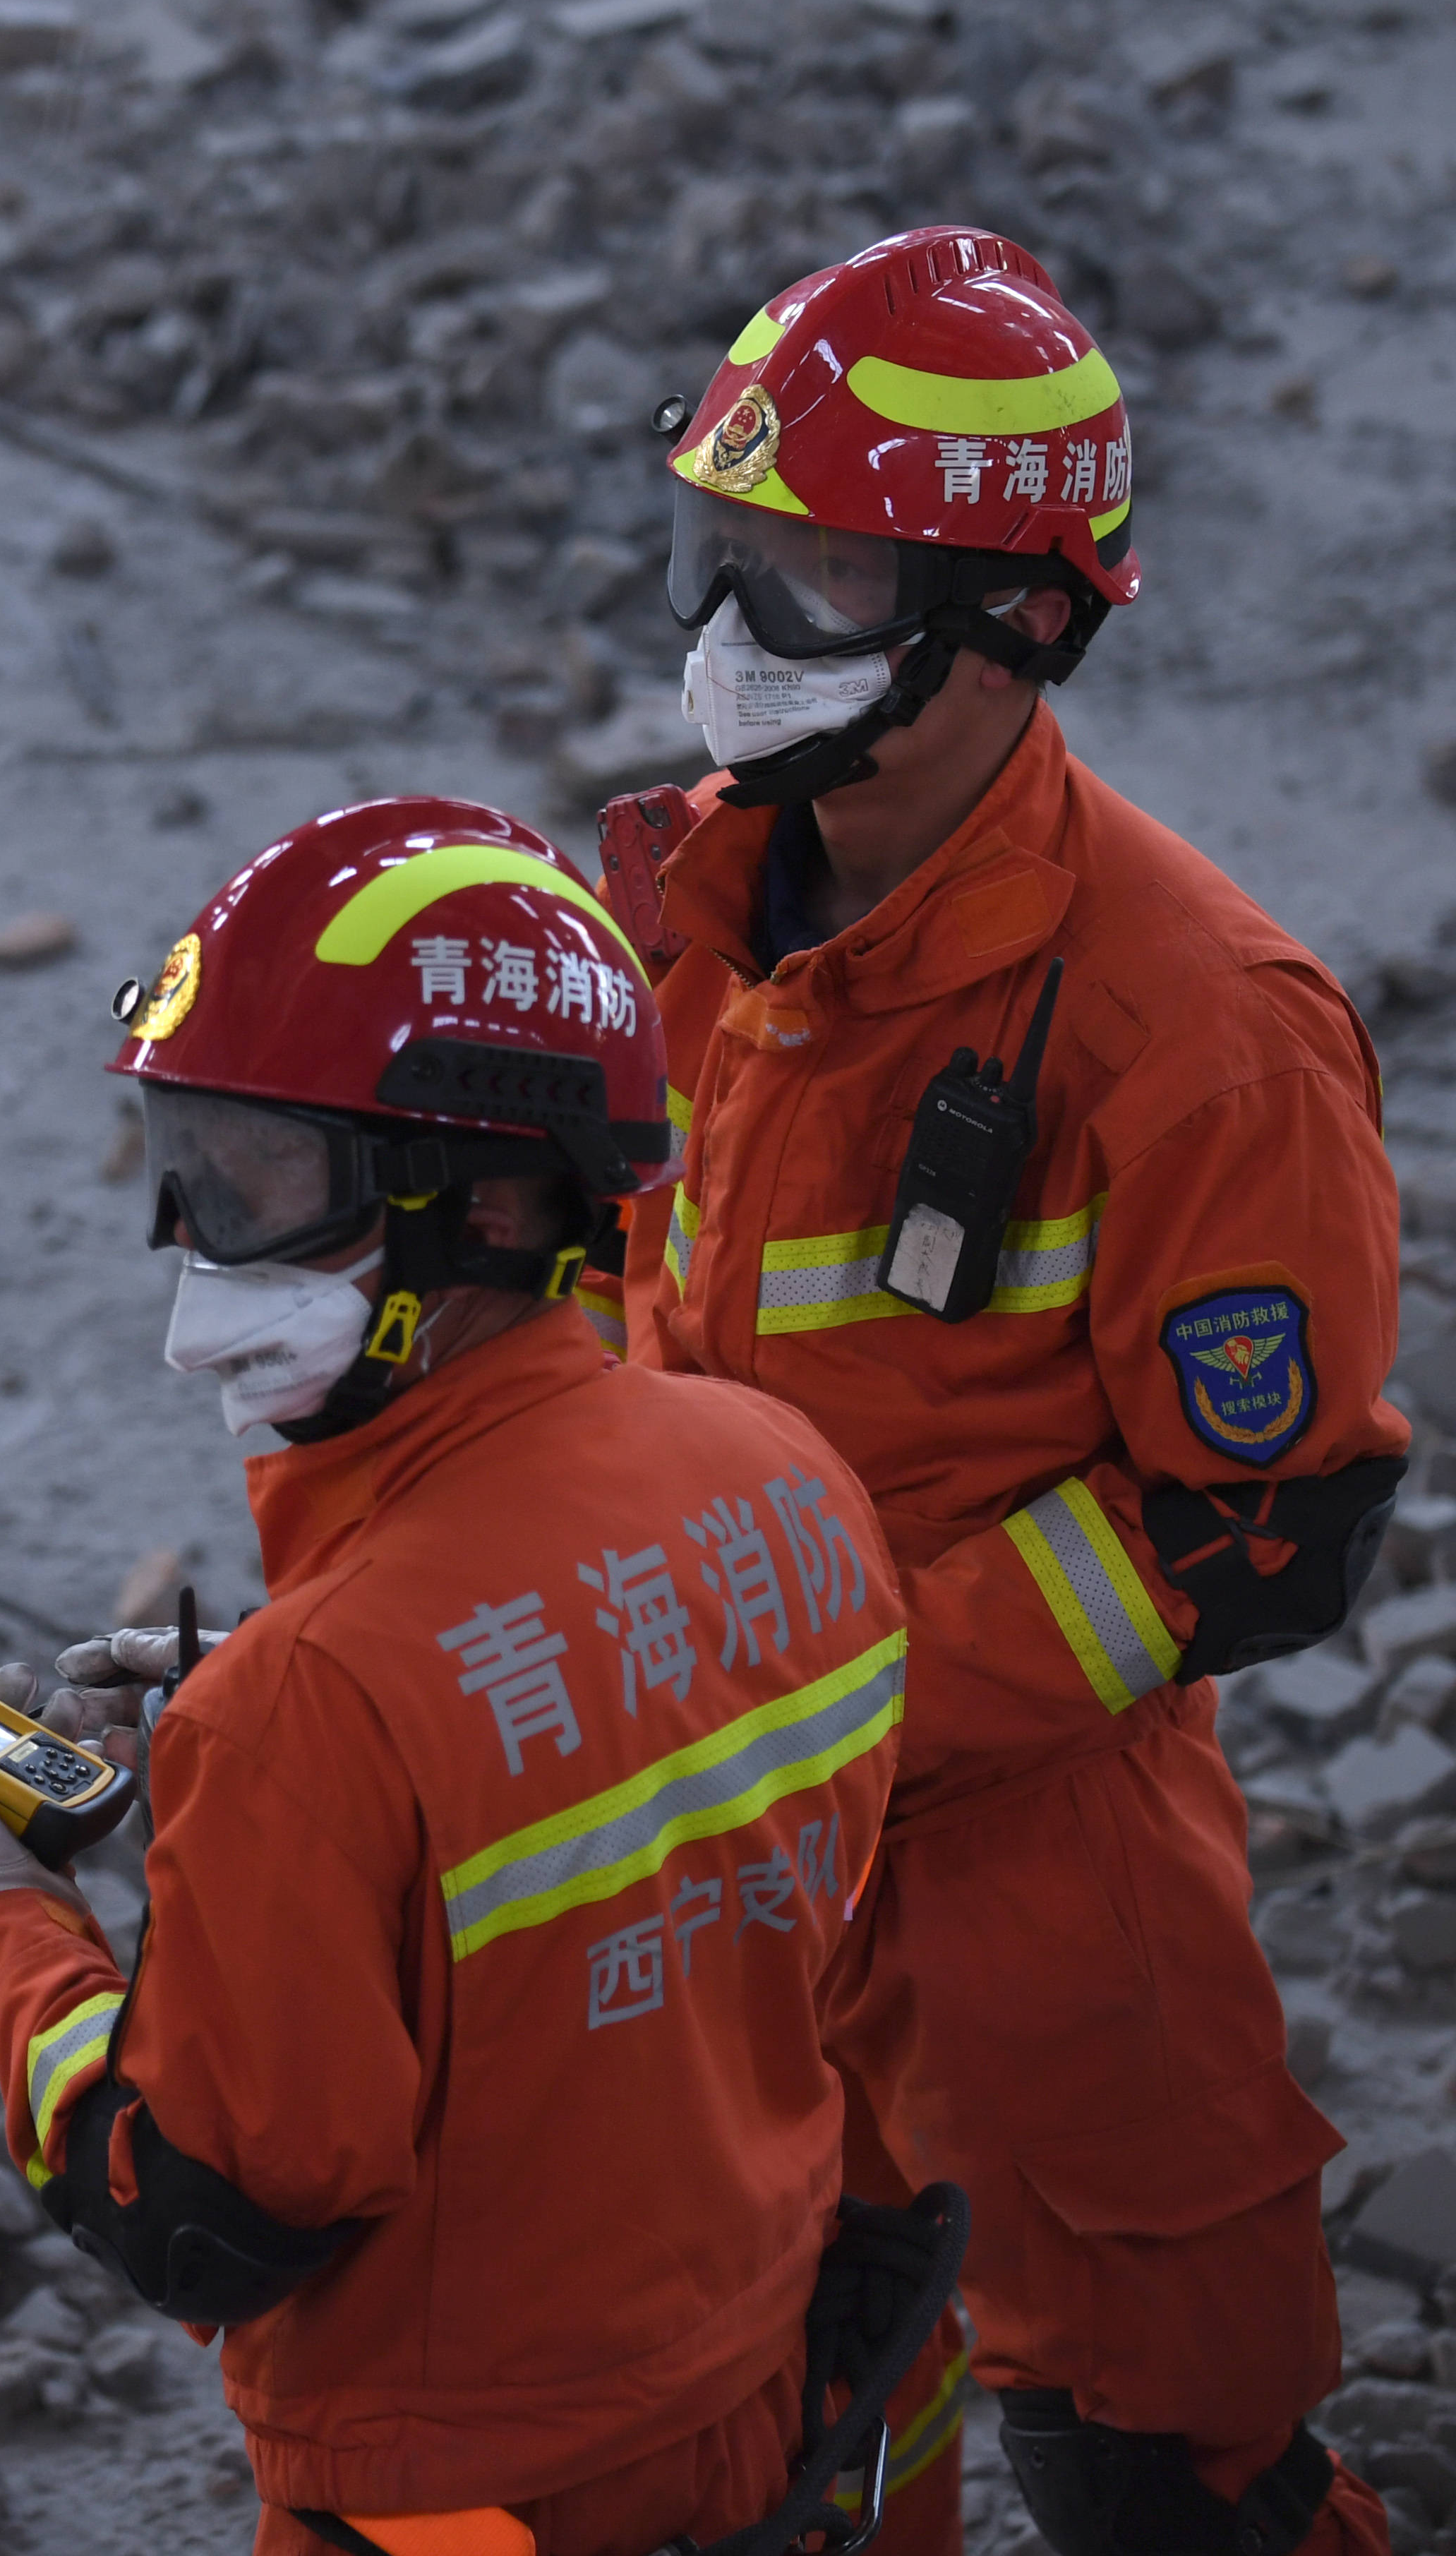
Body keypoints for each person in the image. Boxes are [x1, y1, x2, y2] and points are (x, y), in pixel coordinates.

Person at [596, 223, 1405, 2556]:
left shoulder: (1199, 1029)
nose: (730, 643)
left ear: (1021, 622)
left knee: (1167, 2460)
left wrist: (825, 1694)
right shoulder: (690, 922)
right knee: (795, 2439)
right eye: (721, 560)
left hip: (1039, 1893)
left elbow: (1253, 1539)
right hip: (731, 1862)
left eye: (819, 586)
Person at [0, 798, 920, 2556]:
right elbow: (737, 1882)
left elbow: (195, 2205)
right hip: (750, 2380)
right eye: (185, 1162)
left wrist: (2, 1900)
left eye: (260, 1177)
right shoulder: (786, 1475)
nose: (202, 1242)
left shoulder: (320, 1705)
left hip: (463, 2490)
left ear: (488, 1204)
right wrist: (281, 1751)